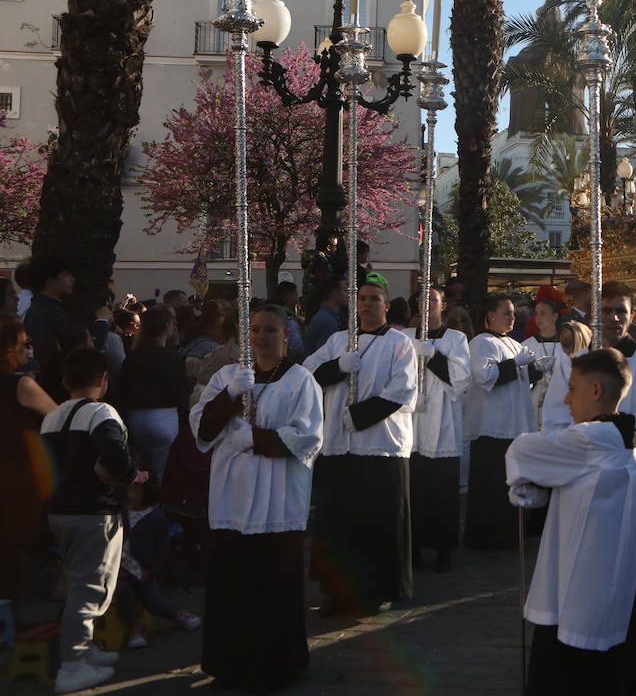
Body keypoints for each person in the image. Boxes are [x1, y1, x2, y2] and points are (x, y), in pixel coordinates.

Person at [541, 282, 636, 686]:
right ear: (594, 315)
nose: (613, 318)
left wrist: (604, 434)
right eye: (605, 310)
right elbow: (555, 421)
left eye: (621, 310)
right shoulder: (575, 364)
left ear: (632, 316)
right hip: (584, 496)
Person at [190, 305, 323, 687]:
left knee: (273, 583)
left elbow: (309, 436)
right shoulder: (227, 376)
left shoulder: (300, 380)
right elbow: (202, 427)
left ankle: (278, 664)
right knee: (233, 583)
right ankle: (228, 662)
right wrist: (231, 394)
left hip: (277, 493)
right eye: (255, 329)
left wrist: (256, 437)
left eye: (270, 330)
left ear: (286, 336)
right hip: (233, 493)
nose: (262, 337)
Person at [505, 348, 636, 696]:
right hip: (605, 586)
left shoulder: (592, 438)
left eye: (571, 388)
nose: (567, 400)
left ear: (595, 390)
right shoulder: (627, 436)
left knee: (567, 674)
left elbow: (521, 452)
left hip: (575, 589)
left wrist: (527, 485)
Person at [303, 283, 418, 616]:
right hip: (340, 446)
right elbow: (307, 374)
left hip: (381, 444)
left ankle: (377, 590)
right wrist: (338, 366)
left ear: (386, 306)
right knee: (340, 523)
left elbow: (403, 390)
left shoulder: (399, 343)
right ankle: (338, 591)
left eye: (375, 299)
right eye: (362, 299)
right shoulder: (338, 341)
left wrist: (358, 416)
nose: (367, 304)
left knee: (376, 521)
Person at [41, 347, 147, 694]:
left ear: (65, 381)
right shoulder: (102, 413)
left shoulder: (52, 417)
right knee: (88, 590)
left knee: (78, 583)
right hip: (93, 513)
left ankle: (85, 652)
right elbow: (116, 455)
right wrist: (129, 475)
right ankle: (73, 665)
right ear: (103, 379)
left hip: (59, 513)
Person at [464, 295, 538, 550]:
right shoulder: (481, 342)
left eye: (513, 313)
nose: (512, 318)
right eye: (506, 313)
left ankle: (510, 536)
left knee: (509, 483)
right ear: (491, 315)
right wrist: (515, 364)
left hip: (516, 423)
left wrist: (537, 370)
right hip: (492, 426)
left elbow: (522, 380)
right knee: (491, 485)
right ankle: (486, 539)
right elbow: (485, 377)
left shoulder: (514, 344)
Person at [0, 315, 55, 650]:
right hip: (16, 480)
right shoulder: (21, 386)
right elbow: (59, 415)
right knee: (11, 550)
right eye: (25, 343)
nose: (28, 349)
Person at [408, 287, 470, 572]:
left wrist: (433, 356)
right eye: (423, 298)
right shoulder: (405, 337)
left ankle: (445, 550)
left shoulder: (456, 338)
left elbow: (460, 379)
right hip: (412, 423)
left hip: (443, 424)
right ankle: (414, 548)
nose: (427, 302)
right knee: (415, 491)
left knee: (442, 492)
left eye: (433, 298)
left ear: (443, 305)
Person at [113, 476, 200, 649]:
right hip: (118, 570)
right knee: (123, 592)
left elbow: (163, 551)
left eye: (133, 489)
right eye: (127, 489)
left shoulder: (155, 520)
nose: (128, 494)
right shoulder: (118, 513)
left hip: (144, 571)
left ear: (146, 492)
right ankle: (135, 627)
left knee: (153, 600)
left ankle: (176, 615)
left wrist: (151, 570)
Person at [120, 306, 189, 481]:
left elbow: (123, 389)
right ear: (166, 326)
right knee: (162, 473)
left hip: (135, 417)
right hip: (164, 417)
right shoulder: (172, 358)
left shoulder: (133, 357)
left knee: (139, 470)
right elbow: (181, 392)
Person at [25, 256, 111, 350]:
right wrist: (102, 321)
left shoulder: (41, 307)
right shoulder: (52, 313)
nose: (73, 279)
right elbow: (80, 353)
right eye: (66, 274)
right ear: (50, 280)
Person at [524, 298, 565, 422]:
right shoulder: (527, 345)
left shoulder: (568, 344)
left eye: (543, 313)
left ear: (554, 316)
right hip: (535, 401)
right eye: (536, 314)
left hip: (563, 400)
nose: (538, 318)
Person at [303, 276, 345, 356]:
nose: (348, 294)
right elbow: (325, 356)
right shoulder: (328, 321)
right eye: (345, 290)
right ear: (334, 293)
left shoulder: (325, 317)